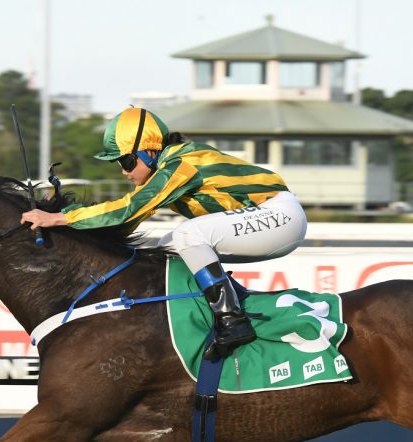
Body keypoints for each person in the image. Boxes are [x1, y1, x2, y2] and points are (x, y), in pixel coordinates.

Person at [21, 107, 307, 360]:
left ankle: (232, 320)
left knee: (187, 236)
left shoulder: (180, 165)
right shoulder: (169, 167)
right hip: (268, 218)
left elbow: (128, 209)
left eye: (126, 161)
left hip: (281, 215)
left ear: (149, 151)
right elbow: (126, 225)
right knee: (166, 248)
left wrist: (59, 218)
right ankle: (207, 315)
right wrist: (72, 227)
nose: (124, 172)